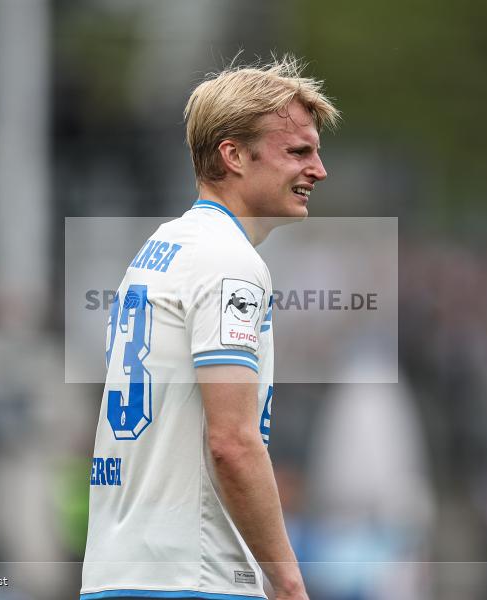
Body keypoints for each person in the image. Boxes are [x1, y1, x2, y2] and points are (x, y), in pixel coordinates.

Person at [78, 55, 339, 600]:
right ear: (234, 155)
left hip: (117, 574)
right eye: (298, 152)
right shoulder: (230, 263)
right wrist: (288, 580)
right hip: (194, 578)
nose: (318, 170)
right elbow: (232, 441)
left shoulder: (159, 251)